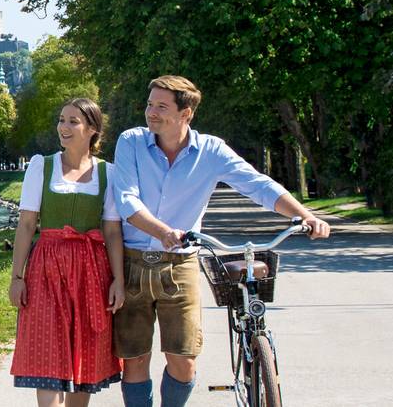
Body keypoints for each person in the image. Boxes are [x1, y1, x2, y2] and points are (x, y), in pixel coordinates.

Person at [110, 75, 331, 407]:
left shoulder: (210, 150)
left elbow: (259, 185)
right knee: (136, 360)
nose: (151, 113)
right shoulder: (131, 142)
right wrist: (163, 232)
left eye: (161, 106)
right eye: (149, 104)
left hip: (180, 265)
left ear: (186, 114)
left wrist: (305, 216)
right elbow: (127, 201)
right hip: (133, 263)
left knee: (183, 362)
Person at [10, 98, 125, 407]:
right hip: (46, 266)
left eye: (73, 121)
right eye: (62, 120)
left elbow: (113, 231)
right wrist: (17, 278)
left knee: (85, 347)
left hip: (91, 268)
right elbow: (26, 224)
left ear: (92, 129)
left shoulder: (108, 174)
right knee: (47, 346)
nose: (63, 126)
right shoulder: (41, 166)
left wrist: (118, 280)